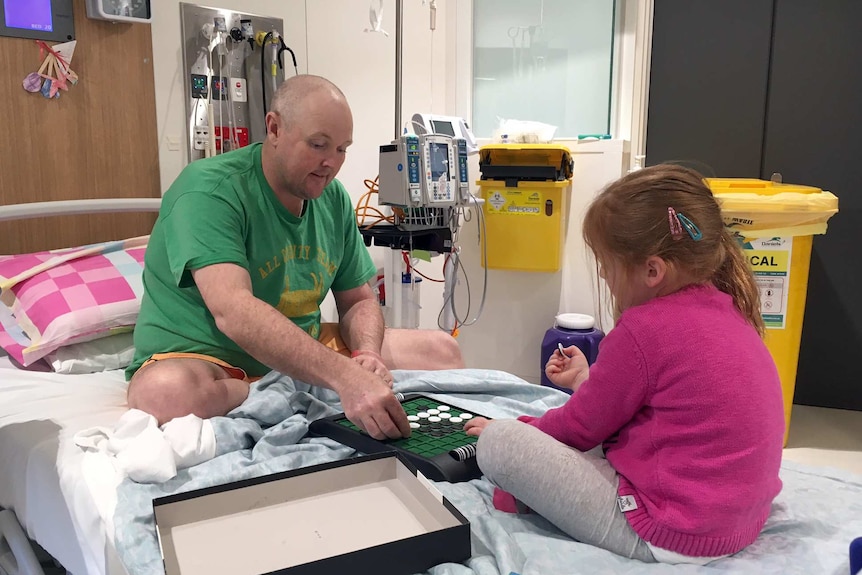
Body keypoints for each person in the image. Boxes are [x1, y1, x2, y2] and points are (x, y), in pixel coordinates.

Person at [464, 164, 784, 564]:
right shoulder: (728, 311)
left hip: (666, 532)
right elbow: (658, 403)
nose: (602, 273)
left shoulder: (644, 328)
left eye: (606, 263)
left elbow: (578, 428)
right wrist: (586, 378)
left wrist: (511, 428)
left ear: (652, 270)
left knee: (501, 444)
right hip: (737, 525)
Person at [126, 74, 464, 439]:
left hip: (305, 350)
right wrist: (341, 375)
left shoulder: (332, 200)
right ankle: (266, 389)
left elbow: (358, 300)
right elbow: (234, 311)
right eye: (318, 144)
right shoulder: (209, 191)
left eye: (342, 149)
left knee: (442, 350)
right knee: (163, 394)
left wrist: (367, 356)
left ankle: (295, 382)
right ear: (274, 128)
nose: (331, 163)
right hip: (212, 361)